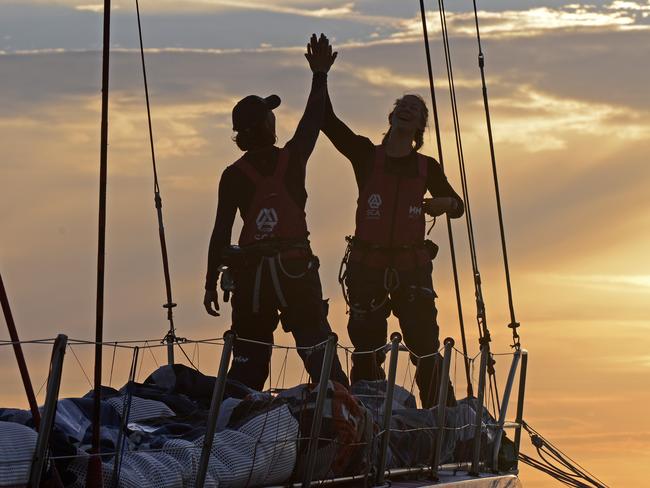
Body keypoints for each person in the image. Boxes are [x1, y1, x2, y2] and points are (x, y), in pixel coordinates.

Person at [203, 34, 348, 391]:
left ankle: (232, 428)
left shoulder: (233, 175)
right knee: (320, 356)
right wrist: (320, 74)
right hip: (295, 271)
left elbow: (221, 234)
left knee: (248, 368)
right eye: (270, 113)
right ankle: (347, 417)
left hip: (251, 278)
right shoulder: (293, 158)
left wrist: (209, 282)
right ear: (266, 125)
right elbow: (313, 120)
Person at [322, 90, 464, 408]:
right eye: (403, 105)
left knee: (424, 344)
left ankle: (441, 418)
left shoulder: (428, 167)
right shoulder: (365, 155)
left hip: (411, 266)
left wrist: (447, 202)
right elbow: (328, 123)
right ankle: (364, 418)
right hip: (366, 266)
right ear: (392, 115)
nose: (408, 109)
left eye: (415, 108)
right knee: (366, 346)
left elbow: (459, 207)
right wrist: (321, 76)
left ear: (420, 126)